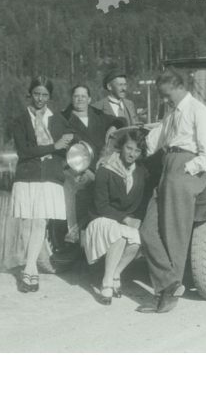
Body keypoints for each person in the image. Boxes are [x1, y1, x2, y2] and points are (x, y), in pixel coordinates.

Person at [137, 69, 206, 314]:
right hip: (167, 166)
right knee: (148, 230)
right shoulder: (172, 111)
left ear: (180, 87)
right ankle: (170, 282)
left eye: (167, 95)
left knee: (174, 234)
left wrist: (188, 168)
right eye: (162, 96)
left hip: (183, 168)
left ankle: (168, 296)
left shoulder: (197, 111)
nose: (164, 100)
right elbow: (158, 138)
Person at [10, 76, 74, 293]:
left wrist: (63, 148)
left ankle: (29, 271)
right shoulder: (20, 120)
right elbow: (24, 151)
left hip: (49, 177)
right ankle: (31, 270)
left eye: (44, 94)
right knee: (27, 224)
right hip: (27, 176)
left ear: (49, 97)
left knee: (40, 222)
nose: (40, 98)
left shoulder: (57, 121)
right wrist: (53, 146)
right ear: (31, 94)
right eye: (37, 93)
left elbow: (67, 147)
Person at [82, 129, 148, 305]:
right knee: (119, 235)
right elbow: (101, 206)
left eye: (137, 151)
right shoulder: (106, 170)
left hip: (120, 220)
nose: (132, 154)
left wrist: (136, 219)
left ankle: (116, 273)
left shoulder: (140, 173)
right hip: (101, 218)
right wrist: (126, 219)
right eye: (129, 148)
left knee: (136, 241)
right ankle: (106, 282)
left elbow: (141, 202)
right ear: (121, 148)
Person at [62, 85, 125, 243]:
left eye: (84, 96)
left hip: (101, 166)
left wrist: (113, 126)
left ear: (90, 99)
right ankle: (77, 232)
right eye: (77, 96)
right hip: (78, 168)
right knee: (83, 193)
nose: (80, 99)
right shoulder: (63, 118)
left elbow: (122, 120)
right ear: (72, 98)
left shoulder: (98, 115)